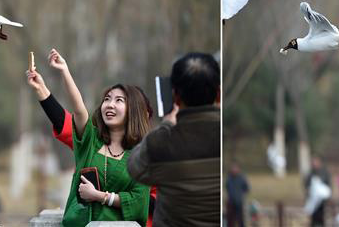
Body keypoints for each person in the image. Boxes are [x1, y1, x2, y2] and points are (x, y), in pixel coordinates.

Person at [26, 48, 150, 226]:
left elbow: (139, 201)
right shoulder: (91, 141)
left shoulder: (140, 157)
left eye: (119, 100)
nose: (110, 105)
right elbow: (78, 109)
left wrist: (100, 197)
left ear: (134, 110)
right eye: (107, 99)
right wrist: (64, 71)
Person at [127, 52, 221, 227]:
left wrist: (166, 126)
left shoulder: (162, 142)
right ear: (219, 93)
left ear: (175, 96)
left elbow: (134, 166)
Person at [304, 156, 331, 227]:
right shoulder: (310, 174)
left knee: (321, 218)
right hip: (312, 200)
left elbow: (328, 185)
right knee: (313, 219)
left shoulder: (324, 173)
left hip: (322, 201)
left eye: (316, 162)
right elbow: (306, 186)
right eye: (313, 162)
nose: (314, 164)